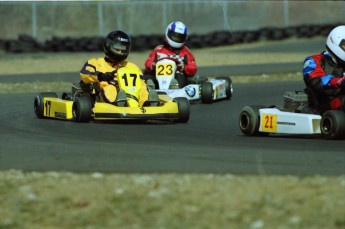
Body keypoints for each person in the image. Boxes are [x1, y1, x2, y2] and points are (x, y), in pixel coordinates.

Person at [79, 30, 154, 107]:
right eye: (117, 49)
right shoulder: (96, 63)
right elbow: (85, 74)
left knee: (143, 89)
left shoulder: (131, 66)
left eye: (123, 49)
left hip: (128, 93)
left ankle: (146, 104)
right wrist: (101, 76)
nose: (120, 52)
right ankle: (118, 103)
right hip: (101, 93)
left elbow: (141, 82)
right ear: (108, 45)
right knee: (111, 89)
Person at [303, 25, 345, 113]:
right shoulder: (314, 60)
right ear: (335, 42)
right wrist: (338, 81)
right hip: (323, 105)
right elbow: (316, 81)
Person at [144, 21, 198, 88]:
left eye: (179, 37)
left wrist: (184, 67)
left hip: (177, 75)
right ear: (168, 33)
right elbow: (148, 62)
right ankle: (150, 88)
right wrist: (152, 65)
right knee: (147, 77)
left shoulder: (185, 52)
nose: (176, 39)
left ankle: (174, 87)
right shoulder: (159, 50)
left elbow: (193, 67)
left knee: (181, 77)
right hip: (157, 77)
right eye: (175, 36)